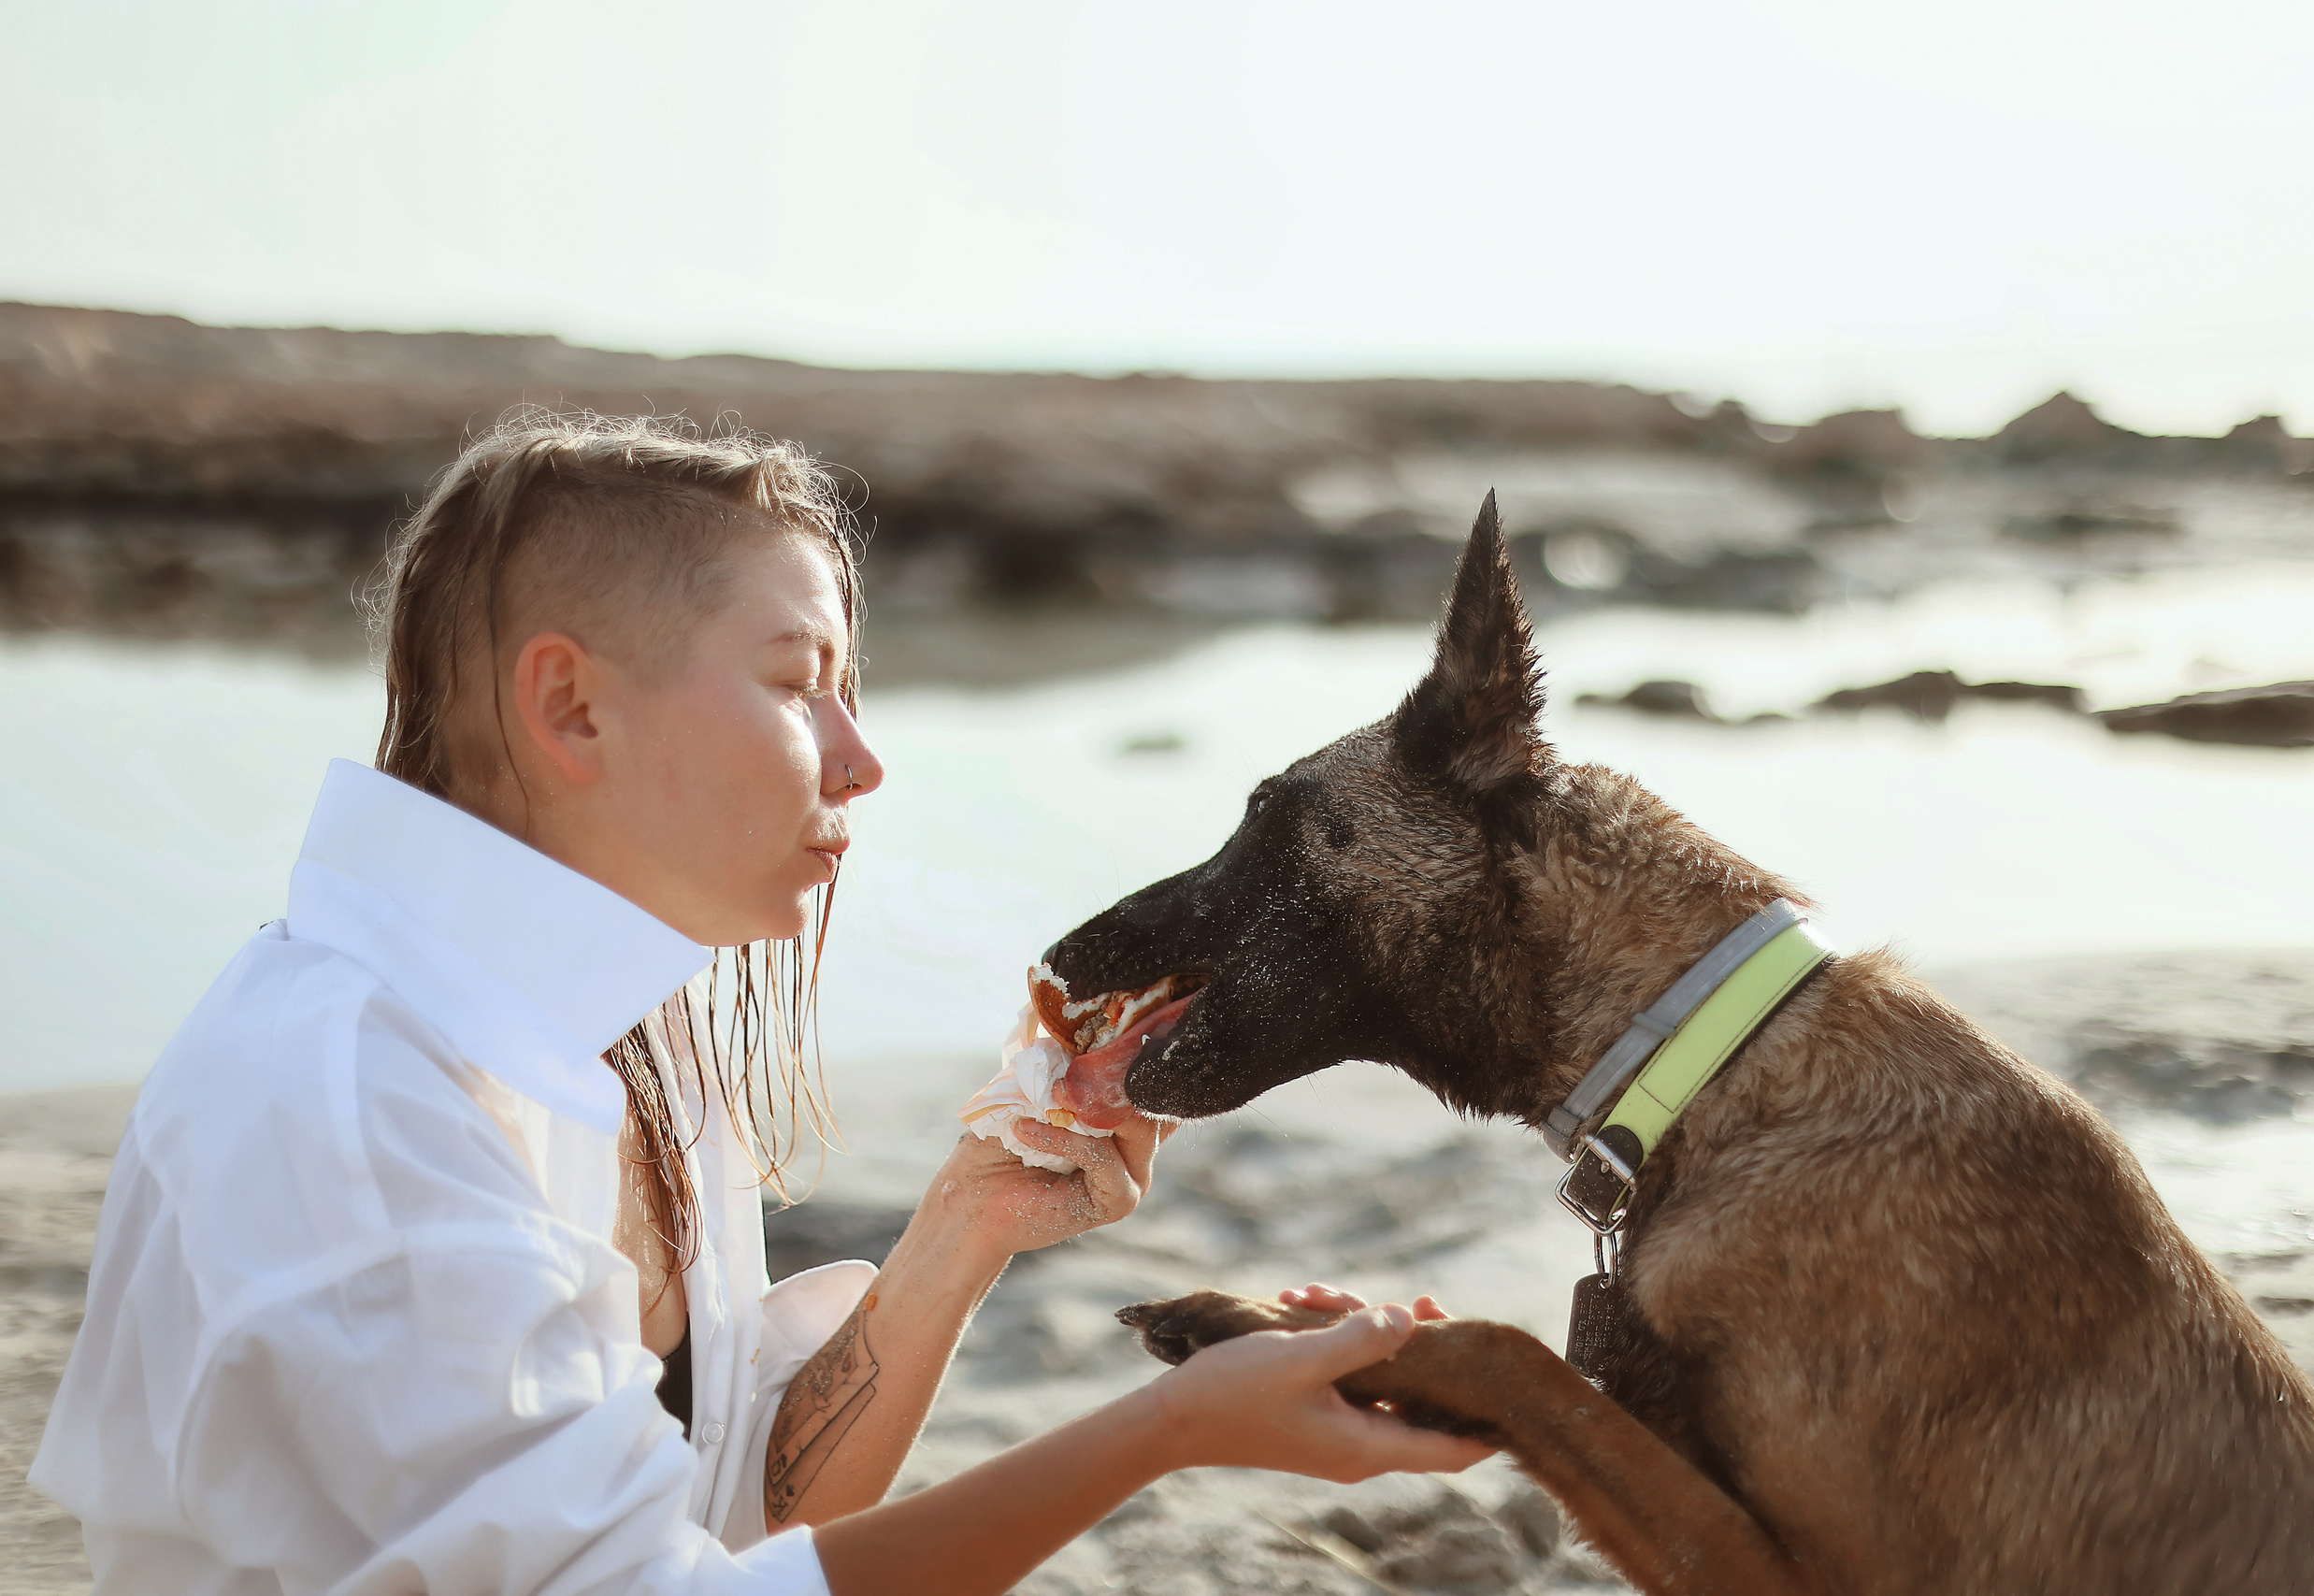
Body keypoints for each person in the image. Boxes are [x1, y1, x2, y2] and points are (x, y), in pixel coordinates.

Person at [30, 412, 1488, 1595]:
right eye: (801, 684)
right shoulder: (358, 1095)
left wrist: (965, 1231)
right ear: (572, 708)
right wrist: (1169, 1429)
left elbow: (735, 1527)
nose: (861, 762)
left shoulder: (621, 1028)